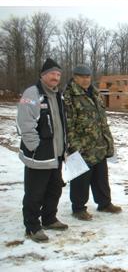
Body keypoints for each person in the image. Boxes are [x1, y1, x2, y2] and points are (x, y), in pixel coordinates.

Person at [16, 58, 68, 242]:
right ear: (43, 75)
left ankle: (49, 219)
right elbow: (24, 124)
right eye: (52, 74)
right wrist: (35, 148)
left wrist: (65, 148)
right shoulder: (32, 93)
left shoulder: (58, 95)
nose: (56, 77)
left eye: (58, 74)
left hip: (56, 155)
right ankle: (31, 226)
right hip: (39, 156)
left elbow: (62, 124)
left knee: (54, 189)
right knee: (35, 193)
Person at [65, 64, 122, 220]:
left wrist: (108, 141)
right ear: (75, 77)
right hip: (80, 145)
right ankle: (78, 209)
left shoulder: (94, 93)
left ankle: (104, 203)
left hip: (98, 144)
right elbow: (68, 124)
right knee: (80, 180)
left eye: (88, 77)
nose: (86, 80)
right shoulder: (69, 95)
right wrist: (75, 146)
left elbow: (102, 119)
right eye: (82, 77)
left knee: (101, 178)